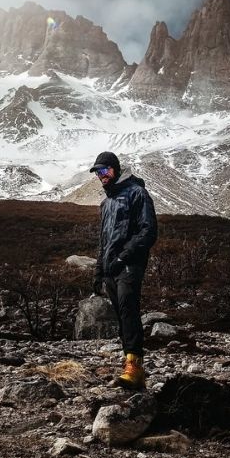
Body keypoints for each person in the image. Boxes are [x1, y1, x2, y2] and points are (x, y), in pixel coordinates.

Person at [89, 150, 158, 389]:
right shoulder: (106, 203)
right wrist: (99, 270)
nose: (102, 176)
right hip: (111, 268)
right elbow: (104, 241)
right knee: (121, 315)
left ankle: (135, 366)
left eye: (105, 170)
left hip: (130, 264)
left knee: (129, 308)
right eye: (98, 172)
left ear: (116, 169)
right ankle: (130, 364)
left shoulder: (137, 193)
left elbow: (148, 231)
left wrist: (124, 257)